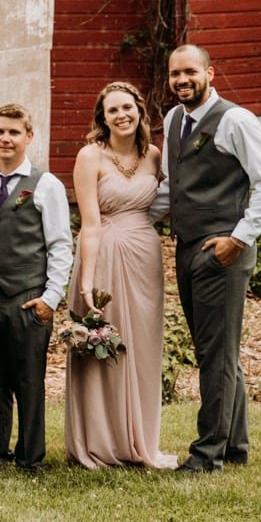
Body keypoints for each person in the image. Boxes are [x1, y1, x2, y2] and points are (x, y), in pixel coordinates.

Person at [152, 44, 261, 473]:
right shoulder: (173, 120)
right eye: (175, 74)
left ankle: (207, 454)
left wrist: (239, 239)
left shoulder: (236, 120)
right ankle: (235, 446)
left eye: (190, 71)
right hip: (188, 246)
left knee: (217, 355)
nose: (182, 80)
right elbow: (173, 188)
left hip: (223, 251)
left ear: (211, 73)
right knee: (218, 351)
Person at [65, 83, 178, 470]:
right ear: (103, 117)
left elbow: (163, 205)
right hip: (105, 252)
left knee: (142, 347)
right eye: (112, 110)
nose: (121, 115)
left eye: (127, 107)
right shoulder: (89, 156)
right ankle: (100, 442)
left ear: (139, 111)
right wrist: (85, 281)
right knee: (104, 346)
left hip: (145, 255)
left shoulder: (154, 156)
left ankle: (142, 441)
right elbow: (91, 223)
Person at [0, 103, 74, 471]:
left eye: (14, 132)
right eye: (0, 132)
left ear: (28, 137)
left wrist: (50, 299)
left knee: (28, 381)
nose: (6, 139)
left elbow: (60, 245)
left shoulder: (46, 185)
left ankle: (30, 456)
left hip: (28, 297)